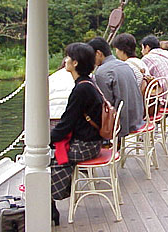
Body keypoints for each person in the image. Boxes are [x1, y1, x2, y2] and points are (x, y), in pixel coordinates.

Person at [50, 43, 103, 225]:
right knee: (54, 152)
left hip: (86, 146)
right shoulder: (89, 83)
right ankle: (51, 207)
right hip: (94, 142)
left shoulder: (81, 89)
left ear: (75, 63)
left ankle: (48, 206)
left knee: (48, 159)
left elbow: (66, 124)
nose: (65, 60)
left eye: (68, 57)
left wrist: (44, 141)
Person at [87, 37, 145, 137]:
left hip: (122, 124)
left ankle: (104, 147)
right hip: (138, 117)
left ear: (98, 53)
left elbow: (106, 105)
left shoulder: (102, 72)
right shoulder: (125, 65)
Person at [141, 35, 168, 107]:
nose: (141, 51)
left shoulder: (147, 58)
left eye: (142, 48)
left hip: (167, 102)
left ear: (147, 47)